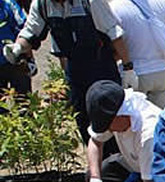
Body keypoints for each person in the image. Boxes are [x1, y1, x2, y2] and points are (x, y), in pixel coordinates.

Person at [2, 0, 136, 157]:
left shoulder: (91, 2)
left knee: (110, 118)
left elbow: (114, 33)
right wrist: (17, 47)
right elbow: (31, 32)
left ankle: (121, 163)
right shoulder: (43, 5)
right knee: (83, 119)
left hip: (101, 66)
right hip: (74, 70)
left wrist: (128, 68)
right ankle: (101, 165)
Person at [83, 80, 161, 182]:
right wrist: (95, 179)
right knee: (92, 173)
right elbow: (95, 141)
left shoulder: (149, 132)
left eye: (109, 125)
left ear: (123, 113)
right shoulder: (117, 112)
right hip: (133, 161)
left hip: (158, 173)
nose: (109, 130)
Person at [109, 0, 165, 108]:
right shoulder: (162, 2)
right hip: (162, 70)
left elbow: (116, 41)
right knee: (160, 118)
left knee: (138, 118)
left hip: (134, 72)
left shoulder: (114, 7)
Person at [0, 0, 33, 94]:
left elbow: (24, 31)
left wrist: (30, 58)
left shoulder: (9, 4)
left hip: (15, 59)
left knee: (23, 101)